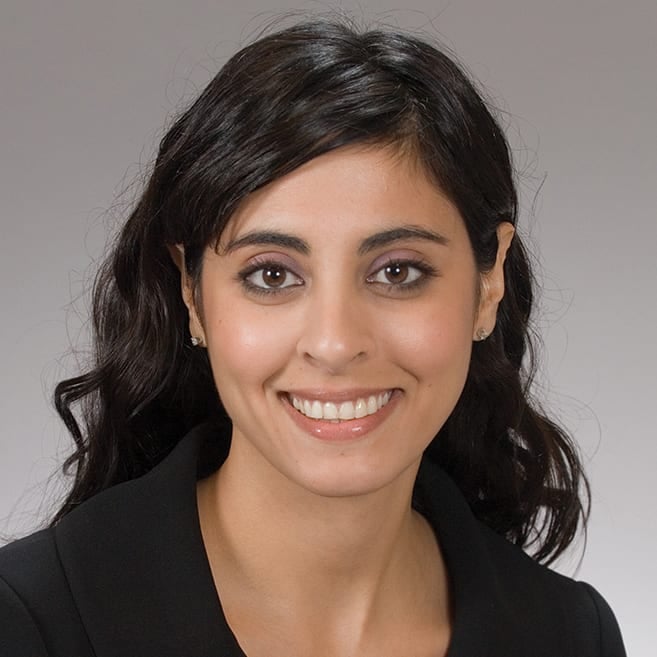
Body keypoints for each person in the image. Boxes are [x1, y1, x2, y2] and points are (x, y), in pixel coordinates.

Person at [0, 18, 626, 657]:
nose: (334, 343)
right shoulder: (27, 623)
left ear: (488, 284)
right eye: (271, 275)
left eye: (397, 272)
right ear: (192, 294)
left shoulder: (572, 637)